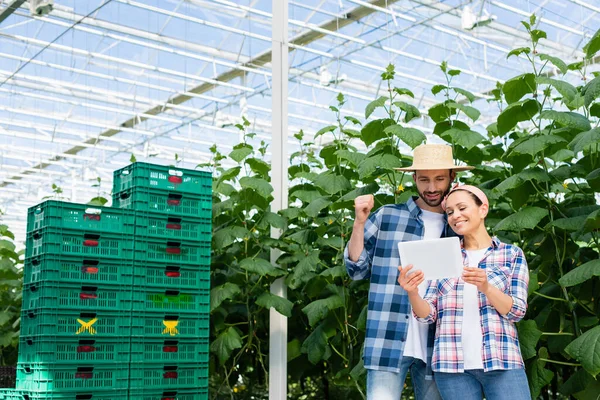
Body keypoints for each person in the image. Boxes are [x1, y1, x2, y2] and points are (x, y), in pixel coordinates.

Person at [344, 144, 473, 400]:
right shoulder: (387, 216)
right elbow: (356, 270)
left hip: (440, 345)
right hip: (388, 338)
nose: (432, 188)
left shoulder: (459, 225)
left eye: (439, 179)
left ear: (452, 178)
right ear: (414, 179)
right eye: (424, 179)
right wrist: (359, 223)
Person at [398, 185, 530, 400]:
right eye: (450, 212)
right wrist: (412, 293)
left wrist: (487, 287)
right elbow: (428, 315)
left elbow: (516, 311)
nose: (455, 216)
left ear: (483, 209)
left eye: (462, 208)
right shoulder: (443, 254)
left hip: (503, 362)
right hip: (451, 368)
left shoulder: (511, 254)